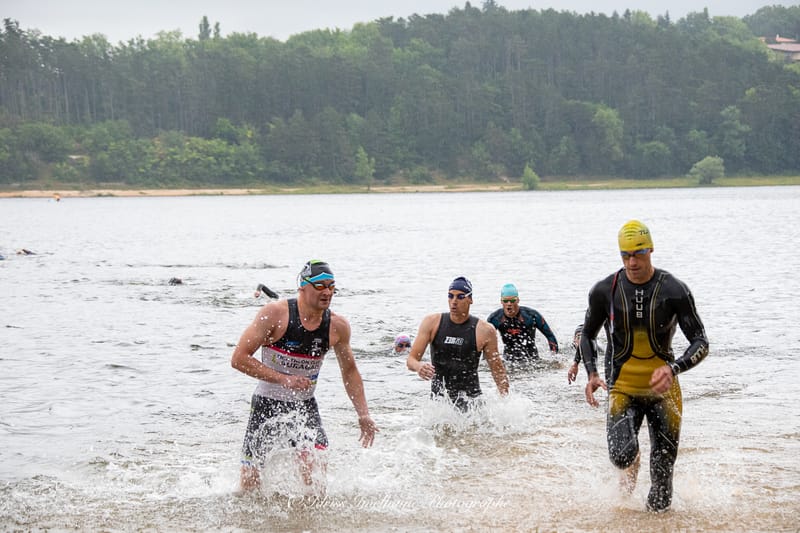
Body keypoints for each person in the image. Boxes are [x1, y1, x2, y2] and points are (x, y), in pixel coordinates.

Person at [580, 220, 709, 512]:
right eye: (625, 255)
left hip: (664, 392)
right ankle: (633, 459)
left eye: (638, 253)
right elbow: (587, 334)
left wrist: (674, 368)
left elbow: (701, 341)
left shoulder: (674, 290)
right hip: (623, 388)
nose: (632, 261)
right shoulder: (604, 291)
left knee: (662, 484)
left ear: (651, 250)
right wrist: (592, 374)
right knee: (622, 456)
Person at [230, 260, 378, 492]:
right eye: (320, 286)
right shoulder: (274, 314)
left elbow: (350, 371)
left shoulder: (337, 326)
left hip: (304, 406)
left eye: (331, 286)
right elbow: (239, 358)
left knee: (316, 476)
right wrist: (283, 379)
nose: (327, 292)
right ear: (302, 287)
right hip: (267, 404)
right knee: (251, 482)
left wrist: (364, 414)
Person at [406, 276, 509, 411]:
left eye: (460, 297)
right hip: (440, 405)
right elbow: (411, 360)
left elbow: (498, 371)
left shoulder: (484, 330)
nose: (454, 301)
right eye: (450, 296)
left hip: (472, 403)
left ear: (470, 299)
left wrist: (506, 404)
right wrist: (419, 366)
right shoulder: (432, 323)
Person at [487, 283, 558, 365]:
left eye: (512, 300)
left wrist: (554, 359)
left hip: (532, 359)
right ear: (501, 301)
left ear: (517, 300)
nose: (509, 303)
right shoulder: (495, 318)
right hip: (508, 359)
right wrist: (487, 361)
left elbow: (550, 336)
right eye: (506, 301)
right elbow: (485, 342)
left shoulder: (531, 316)